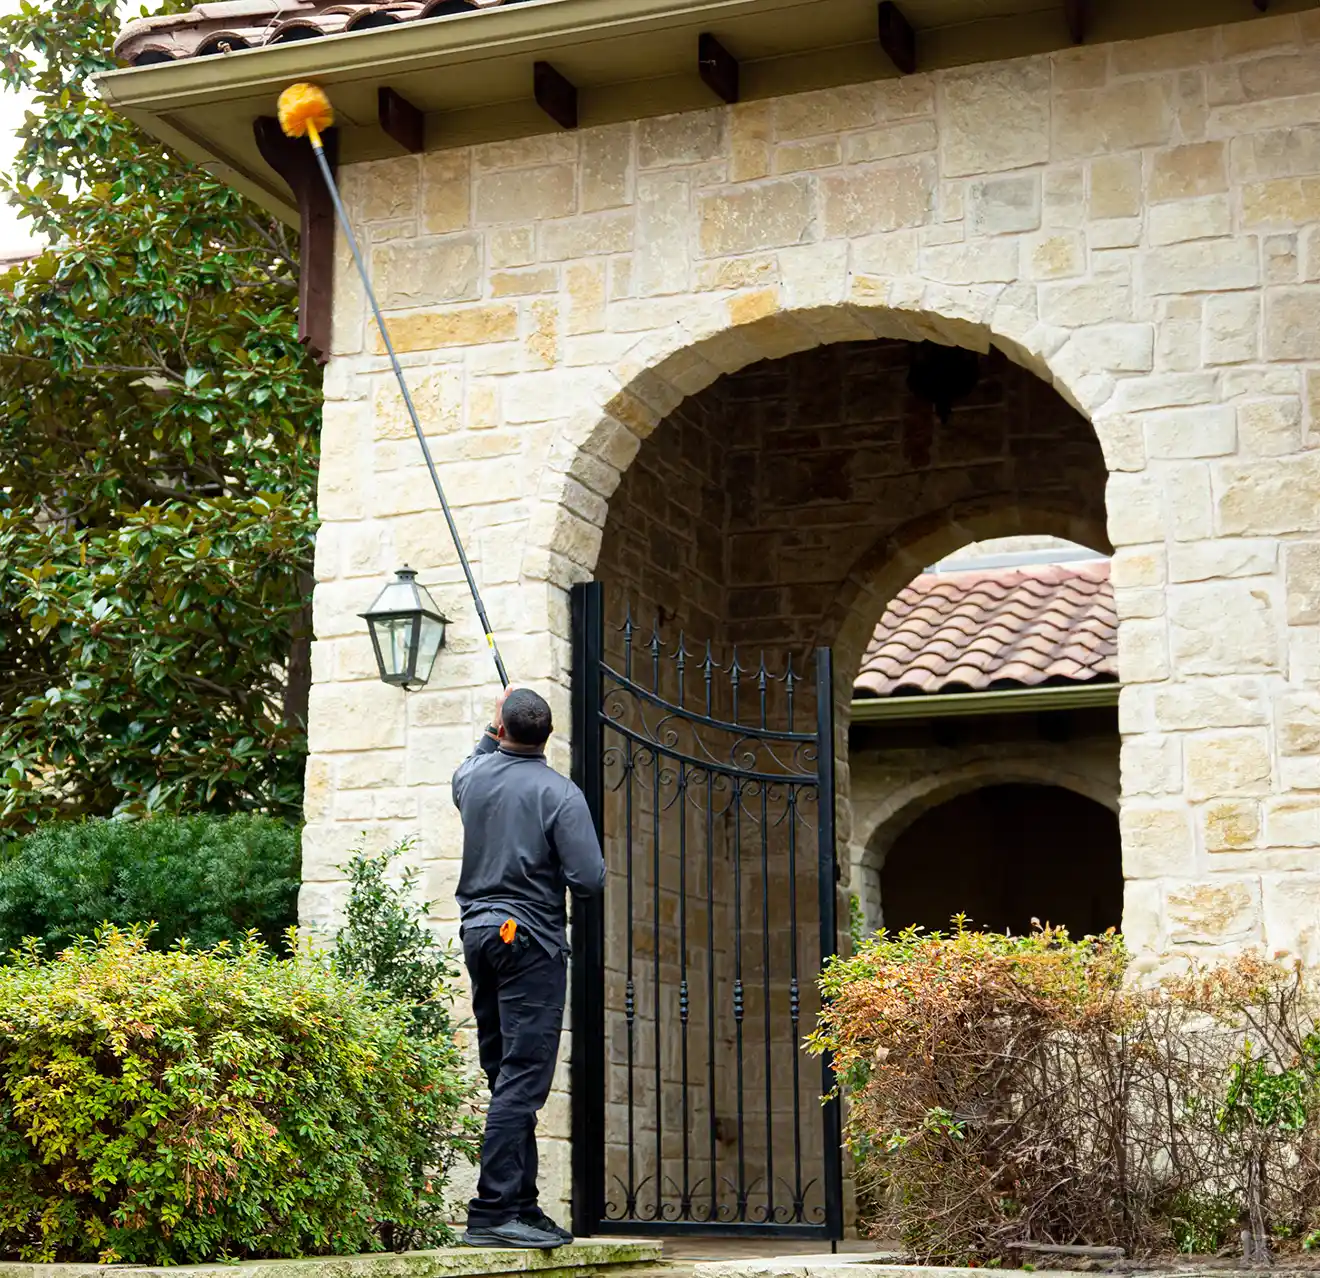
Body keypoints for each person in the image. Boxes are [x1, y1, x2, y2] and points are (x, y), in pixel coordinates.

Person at [452, 685, 606, 1250]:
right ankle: (492, 1212)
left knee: (506, 1072)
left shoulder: (472, 778)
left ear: (501, 730)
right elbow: (588, 881)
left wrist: (494, 723)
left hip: (479, 935)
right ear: (547, 735)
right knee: (523, 1074)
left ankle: (522, 1203)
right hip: (529, 942)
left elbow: (473, 760)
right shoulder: (560, 794)